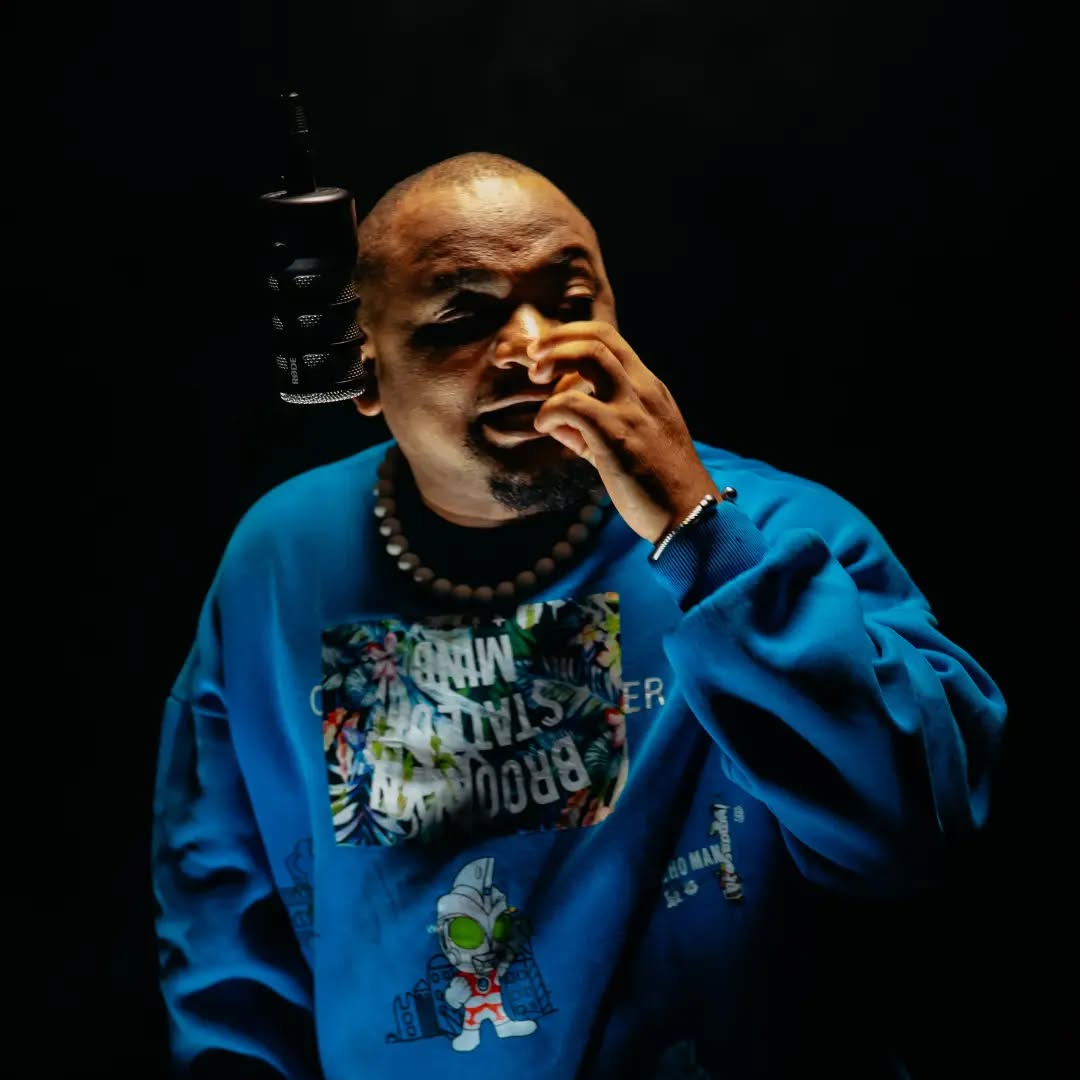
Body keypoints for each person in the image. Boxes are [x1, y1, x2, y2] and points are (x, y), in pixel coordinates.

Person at [152, 152, 1006, 1079]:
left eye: (570, 302)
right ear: (364, 367)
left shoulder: (784, 536)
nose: (535, 348)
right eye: (464, 316)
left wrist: (697, 537)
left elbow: (913, 838)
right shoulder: (280, 562)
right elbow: (223, 932)